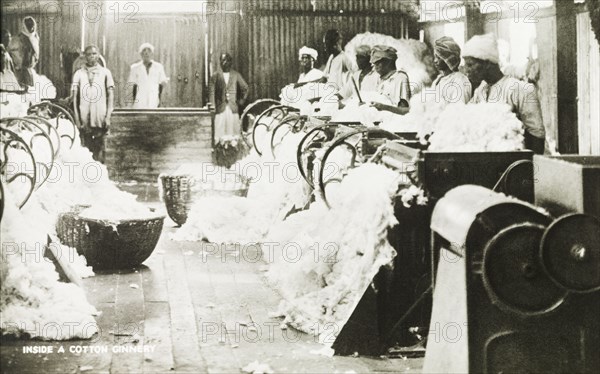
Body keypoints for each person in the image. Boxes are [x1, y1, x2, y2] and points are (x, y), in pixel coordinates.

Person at [463, 33, 546, 154]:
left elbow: (537, 136)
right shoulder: (480, 91)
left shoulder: (519, 89)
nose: (466, 70)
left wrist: (527, 169)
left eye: (470, 65)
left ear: (487, 63)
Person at [71, 45, 114, 163]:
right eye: (89, 54)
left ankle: (100, 176)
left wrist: (108, 116)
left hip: (100, 117)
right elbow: (74, 98)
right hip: (84, 118)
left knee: (100, 149)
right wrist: (77, 118)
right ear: (85, 57)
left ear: (99, 55)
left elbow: (110, 95)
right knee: (86, 151)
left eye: (94, 54)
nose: (92, 57)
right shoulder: (79, 74)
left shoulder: (105, 73)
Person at [209, 53, 249, 140]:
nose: (224, 63)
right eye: (222, 60)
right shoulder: (215, 76)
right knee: (219, 131)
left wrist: (242, 100)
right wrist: (213, 105)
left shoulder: (235, 75)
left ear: (230, 62)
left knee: (233, 131)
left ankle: (232, 149)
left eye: (226, 60)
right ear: (220, 62)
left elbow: (245, 88)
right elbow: (211, 91)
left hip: (232, 108)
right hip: (220, 108)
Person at [369, 45, 411, 115]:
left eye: (378, 62)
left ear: (388, 62)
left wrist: (384, 107)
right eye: (374, 63)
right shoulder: (379, 79)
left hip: (393, 122)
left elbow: (404, 110)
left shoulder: (400, 78)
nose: (375, 66)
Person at [127, 43, 168, 109]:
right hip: (140, 101)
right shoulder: (135, 68)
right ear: (141, 54)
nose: (146, 53)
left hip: (153, 100)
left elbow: (162, 84)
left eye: (149, 51)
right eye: (144, 51)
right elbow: (131, 86)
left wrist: (161, 102)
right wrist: (131, 103)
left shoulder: (159, 67)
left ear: (152, 54)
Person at [432, 36, 472, 104]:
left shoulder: (460, 81)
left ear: (449, 59)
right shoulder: (438, 80)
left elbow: (458, 110)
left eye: (439, 57)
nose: (435, 61)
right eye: (435, 57)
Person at [7, 16, 39, 87]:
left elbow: (36, 55)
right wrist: (16, 65)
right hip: (19, 71)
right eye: (28, 25)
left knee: (28, 92)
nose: (31, 27)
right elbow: (9, 51)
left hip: (28, 70)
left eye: (31, 25)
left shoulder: (35, 38)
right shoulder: (17, 39)